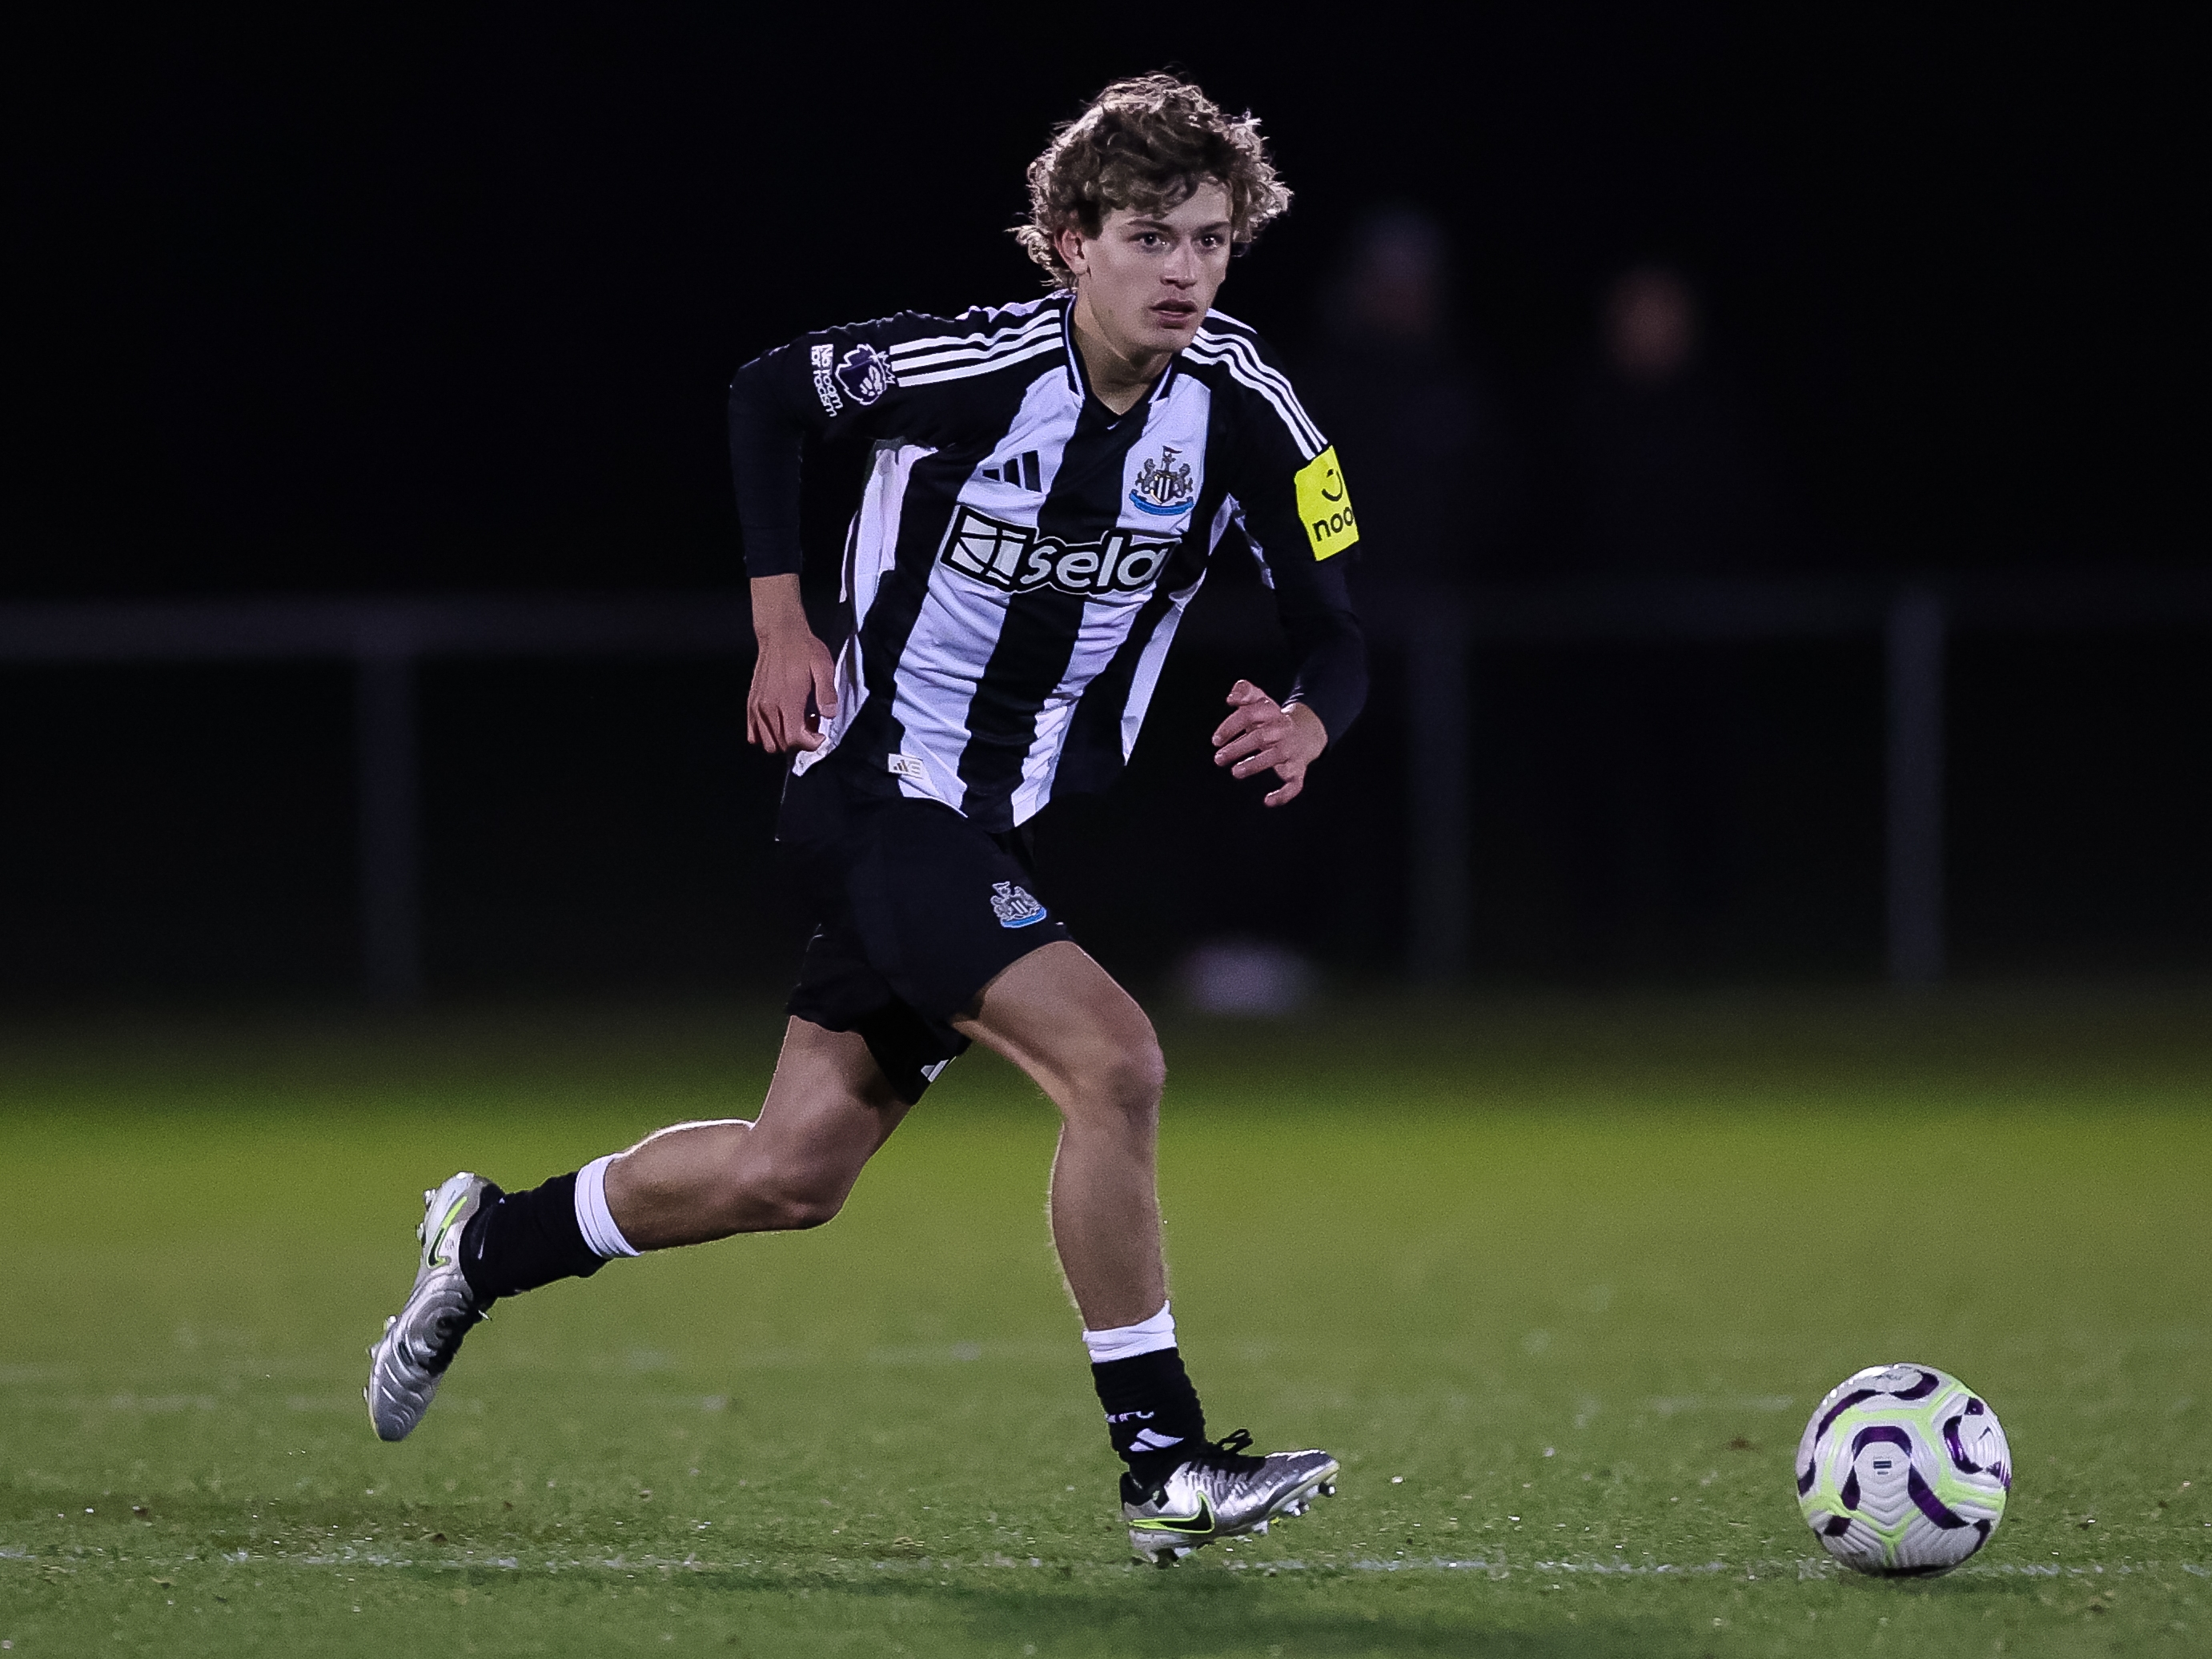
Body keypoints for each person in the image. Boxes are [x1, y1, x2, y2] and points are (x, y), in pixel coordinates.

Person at [364, 74, 1367, 1567]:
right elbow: (769, 390)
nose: (1187, 271)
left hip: (994, 824)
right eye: (1153, 236)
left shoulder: (1249, 411)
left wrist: (1309, 716)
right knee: (1118, 1061)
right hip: (877, 788)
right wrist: (782, 619)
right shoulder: (973, 367)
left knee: (793, 1170)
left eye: (1214, 242)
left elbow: (1334, 624)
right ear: (1072, 239)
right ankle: (1164, 1464)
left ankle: (488, 1243)